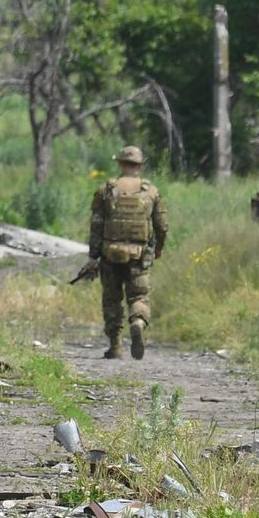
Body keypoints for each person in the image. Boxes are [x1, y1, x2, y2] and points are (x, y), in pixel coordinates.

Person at [88, 145, 169, 360]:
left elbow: (96, 225)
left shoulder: (106, 189)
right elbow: (161, 226)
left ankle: (115, 346)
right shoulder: (151, 191)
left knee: (112, 300)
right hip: (140, 255)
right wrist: (159, 248)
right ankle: (138, 322)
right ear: (140, 165)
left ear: (120, 164)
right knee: (139, 296)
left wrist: (93, 255)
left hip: (110, 254)